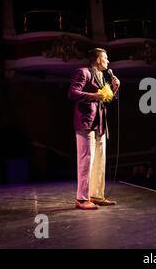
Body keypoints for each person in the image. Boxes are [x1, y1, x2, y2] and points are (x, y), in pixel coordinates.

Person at [68, 48, 120, 210]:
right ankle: (81, 198)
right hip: (86, 121)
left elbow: (107, 98)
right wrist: (94, 96)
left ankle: (96, 195)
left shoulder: (101, 76)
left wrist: (115, 88)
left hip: (100, 123)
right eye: (105, 58)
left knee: (100, 160)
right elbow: (72, 93)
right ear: (98, 59)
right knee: (86, 160)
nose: (108, 61)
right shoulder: (83, 72)